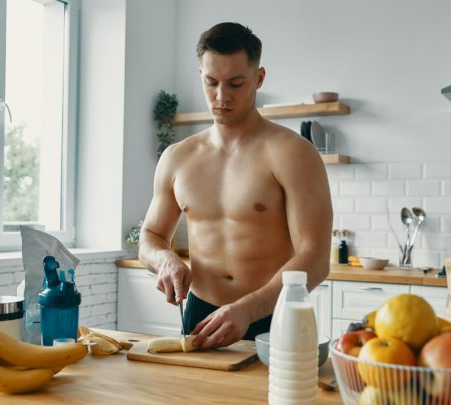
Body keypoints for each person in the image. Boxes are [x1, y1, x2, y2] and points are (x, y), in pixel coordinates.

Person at [139, 22, 332, 349]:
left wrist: (247, 308)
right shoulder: (177, 158)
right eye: (211, 82)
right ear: (199, 73)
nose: (221, 96)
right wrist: (165, 260)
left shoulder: (293, 153)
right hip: (200, 314)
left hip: (273, 313)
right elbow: (150, 238)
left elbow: (315, 259)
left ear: (258, 78)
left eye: (235, 83)